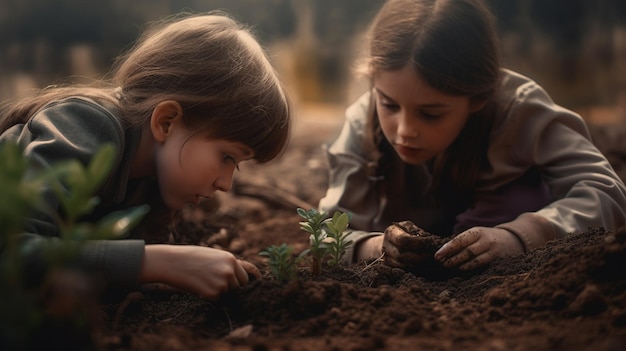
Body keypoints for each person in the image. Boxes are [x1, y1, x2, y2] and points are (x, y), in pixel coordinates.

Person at [0, 13, 291, 300]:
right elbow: (11, 253)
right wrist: (156, 262)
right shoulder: (85, 124)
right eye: (227, 157)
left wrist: (165, 274)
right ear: (166, 121)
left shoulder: (150, 180)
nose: (226, 184)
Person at [319, 0, 626, 272]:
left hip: (508, 272)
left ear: (478, 98)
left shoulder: (519, 111)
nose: (404, 130)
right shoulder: (362, 123)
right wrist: (375, 248)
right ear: (374, 83)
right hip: (408, 278)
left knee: (521, 195)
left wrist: (520, 235)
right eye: (389, 104)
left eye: (431, 114)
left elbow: (606, 192)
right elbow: (325, 233)